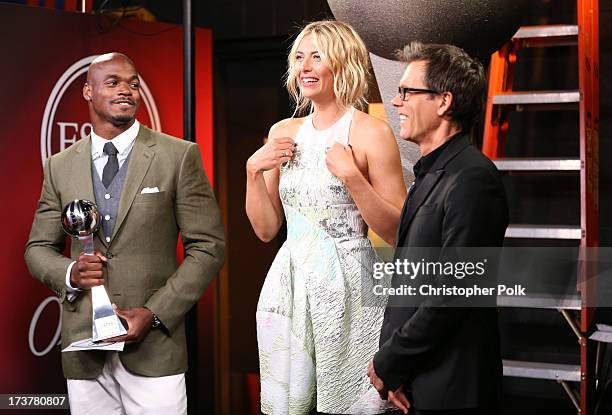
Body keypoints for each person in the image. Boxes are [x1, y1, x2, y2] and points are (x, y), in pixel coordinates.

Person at [24, 52, 225, 415]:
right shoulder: (60, 166)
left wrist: (153, 312)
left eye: (133, 83)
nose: (127, 91)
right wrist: (70, 273)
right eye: (113, 82)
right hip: (83, 345)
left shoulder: (178, 156)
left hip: (153, 348)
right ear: (87, 91)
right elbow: (38, 248)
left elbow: (209, 247)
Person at [246, 20, 406, 414]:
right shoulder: (283, 130)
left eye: (317, 56)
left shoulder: (371, 133)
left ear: (343, 63)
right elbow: (267, 230)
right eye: (299, 57)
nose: (305, 67)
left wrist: (353, 177)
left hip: (350, 285)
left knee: (352, 403)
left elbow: (398, 229)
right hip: (290, 281)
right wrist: (252, 170)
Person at [368, 42, 509, 415]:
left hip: (453, 389)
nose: (397, 103)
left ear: (444, 102)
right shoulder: (429, 174)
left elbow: (454, 292)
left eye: (407, 92)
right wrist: (396, 368)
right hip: (420, 382)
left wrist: (391, 361)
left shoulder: (474, 178)